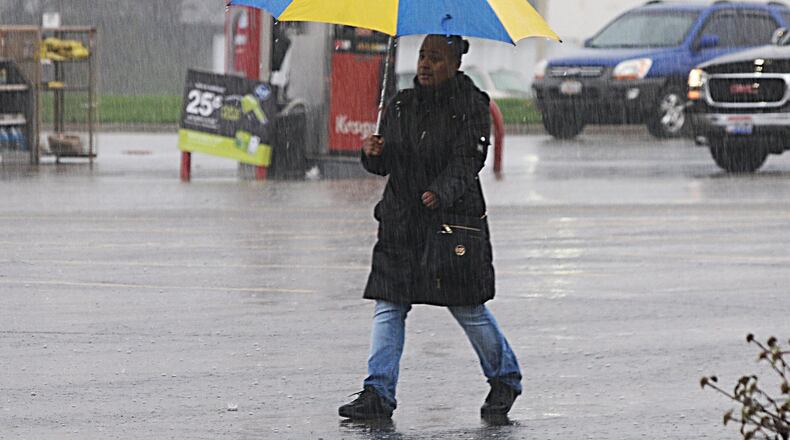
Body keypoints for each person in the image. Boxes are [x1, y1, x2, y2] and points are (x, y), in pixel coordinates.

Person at [338, 34, 522, 420]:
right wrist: (372, 154)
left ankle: (505, 378)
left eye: (436, 58)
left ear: (455, 64)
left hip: (452, 225)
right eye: (422, 55)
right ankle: (378, 392)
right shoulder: (401, 103)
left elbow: (469, 160)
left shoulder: (472, 106)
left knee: (467, 306)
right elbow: (385, 163)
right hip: (401, 222)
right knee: (389, 305)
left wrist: (440, 192)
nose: (425, 64)